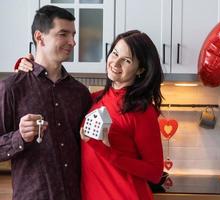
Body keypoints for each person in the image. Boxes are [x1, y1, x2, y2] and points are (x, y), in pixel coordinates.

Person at [15, 30, 165, 200]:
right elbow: (55, 94)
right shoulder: (92, 99)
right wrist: (27, 67)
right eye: (115, 53)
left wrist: (107, 152)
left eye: (127, 60)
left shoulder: (142, 111)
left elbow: (154, 172)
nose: (116, 63)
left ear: (140, 70)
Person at [0, 5, 92, 200]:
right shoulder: (11, 88)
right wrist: (20, 137)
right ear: (39, 37)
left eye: (73, 34)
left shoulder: (81, 93)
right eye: (63, 34)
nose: (73, 42)